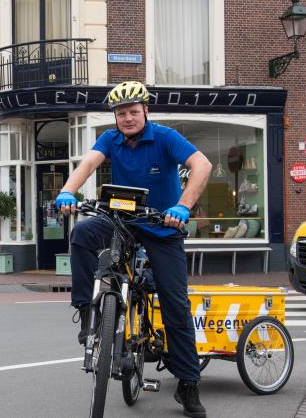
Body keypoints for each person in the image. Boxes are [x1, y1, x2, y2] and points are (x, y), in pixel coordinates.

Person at [56, 81, 211, 418]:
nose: (126, 118)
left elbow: (203, 166)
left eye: (132, 112)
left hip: (162, 227)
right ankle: (87, 312)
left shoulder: (166, 137)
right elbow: (88, 164)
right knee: (82, 233)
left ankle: (188, 385)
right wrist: (68, 191)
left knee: (175, 304)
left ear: (145, 111)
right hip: (122, 223)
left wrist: (183, 207)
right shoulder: (110, 139)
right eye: (120, 113)